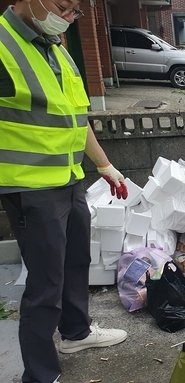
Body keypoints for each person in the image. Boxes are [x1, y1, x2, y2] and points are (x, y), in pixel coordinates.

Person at [0, 2, 129, 382]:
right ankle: (40, 375)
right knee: (45, 284)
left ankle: (77, 333)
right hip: (30, 186)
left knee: (76, 261)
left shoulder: (55, 46)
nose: (70, 16)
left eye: (77, 10)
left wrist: (103, 166)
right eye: (64, 5)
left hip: (69, 179)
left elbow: (77, 117)